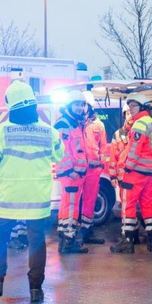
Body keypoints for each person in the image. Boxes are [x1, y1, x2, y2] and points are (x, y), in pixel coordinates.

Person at [0, 80, 63, 304]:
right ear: (33, 104)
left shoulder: (0, 132)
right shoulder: (48, 132)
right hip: (37, 200)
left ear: (10, 105)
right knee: (36, 242)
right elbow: (59, 156)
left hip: (8, 200)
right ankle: (36, 289)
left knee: (0, 238)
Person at [111, 93, 152, 253]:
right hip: (149, 173)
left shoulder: (139, 125)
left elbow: (134, 150)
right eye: (129, 106)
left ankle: (127, 242)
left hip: (134, 173)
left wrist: (127, 167)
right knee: (148, 205)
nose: (130, 109)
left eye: (134, 106)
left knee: (128, 205)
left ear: (142, 107)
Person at [55, 94, 94, 254]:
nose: (80, 108)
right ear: (69, 105)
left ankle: (66, 240)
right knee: (70, 209)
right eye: (77, 104)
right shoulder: (64, 124)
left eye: (82, 105)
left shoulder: (76, 123)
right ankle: (68, 243)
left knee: (69, 208)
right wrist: (70, 171)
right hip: (71, 175)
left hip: (76, 175)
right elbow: (61, 151)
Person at [77, 93, 108, 246]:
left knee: (90, 201)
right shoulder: (76, 123)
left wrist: (101, 164)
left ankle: (87, 232)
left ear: (89, 106)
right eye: (81, 105)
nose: (83, 108)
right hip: (78, 169)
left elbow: (103, 147)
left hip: (94, 170)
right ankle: (73, 234)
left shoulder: (98, 125)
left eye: (85, 105)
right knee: (74, 202)